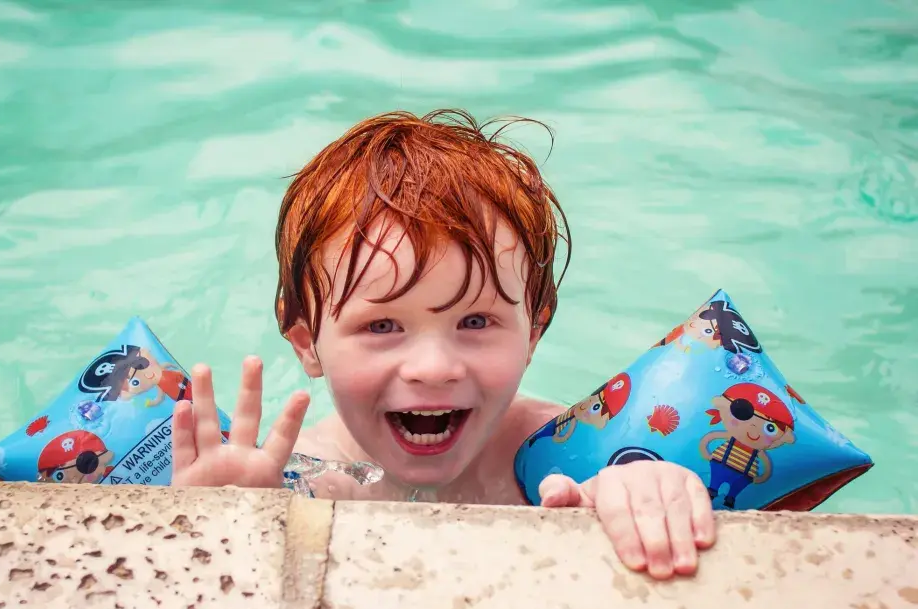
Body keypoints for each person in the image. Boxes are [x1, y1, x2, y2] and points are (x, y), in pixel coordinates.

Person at [170, 109, 716, 581]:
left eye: (476, 321)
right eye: (382, 327)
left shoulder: (560, 456)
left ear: (534, 333)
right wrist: (217, 523)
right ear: (308, 345)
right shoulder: (308, 481)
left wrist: (647, 486)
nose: (433, 368)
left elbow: (634, 490)